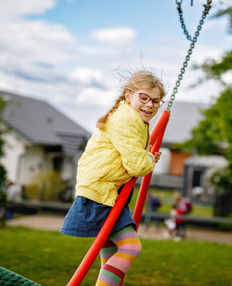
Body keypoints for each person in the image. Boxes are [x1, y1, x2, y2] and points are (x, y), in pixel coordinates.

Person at [60, 71, 165, 286]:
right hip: (102, 190)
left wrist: (147, 156)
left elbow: (132, 155)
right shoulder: (127, 119)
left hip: (107, 189)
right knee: (130, 247)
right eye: (144, 98)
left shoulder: (131, 116)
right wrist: (148, 159)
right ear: (128, 95)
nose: (149, 105)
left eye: (155, 101)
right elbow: (136, 165)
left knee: (110, 248)